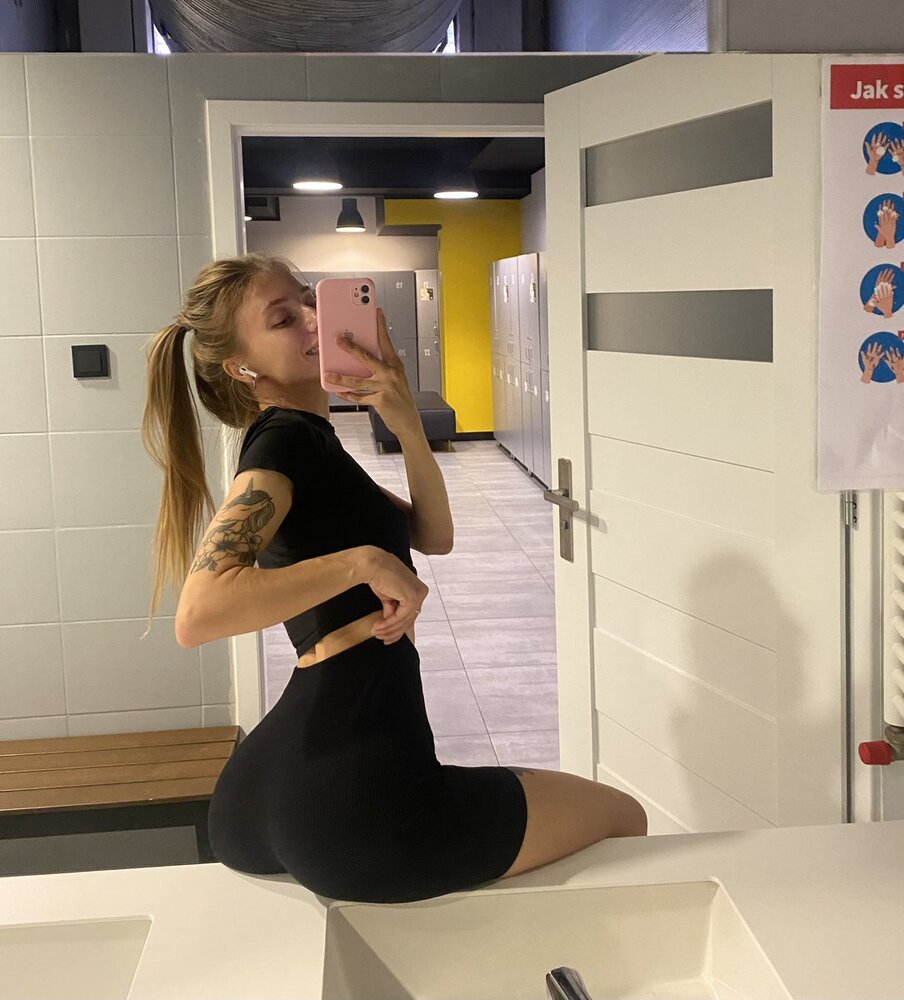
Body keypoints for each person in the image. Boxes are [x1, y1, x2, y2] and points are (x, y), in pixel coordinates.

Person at [140, 251, 647, 904]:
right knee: (622, 818)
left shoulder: (315, 442)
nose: (313, 320)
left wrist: (405, 421)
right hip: (353, 789)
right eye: (283, 319)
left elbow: (433, 534)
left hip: (278, 778)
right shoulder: (284, 441)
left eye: (309, 300)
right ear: (242, 367)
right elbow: (200, 612)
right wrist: (361, 563)